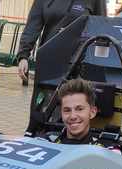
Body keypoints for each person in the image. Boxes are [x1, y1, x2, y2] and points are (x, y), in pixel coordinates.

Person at [16, 0, 107, 133]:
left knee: (74, 111)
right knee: (43, 111)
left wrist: (100, 62)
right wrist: (23, 56)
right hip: (49, 64)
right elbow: (32, 26)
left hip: (80, 65)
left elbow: (102, 30)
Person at [55, 78, 99, 144]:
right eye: (67, 110)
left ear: (92, 112)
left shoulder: (104, 152)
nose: (72, 116)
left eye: (79, 109)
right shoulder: (47, 143)